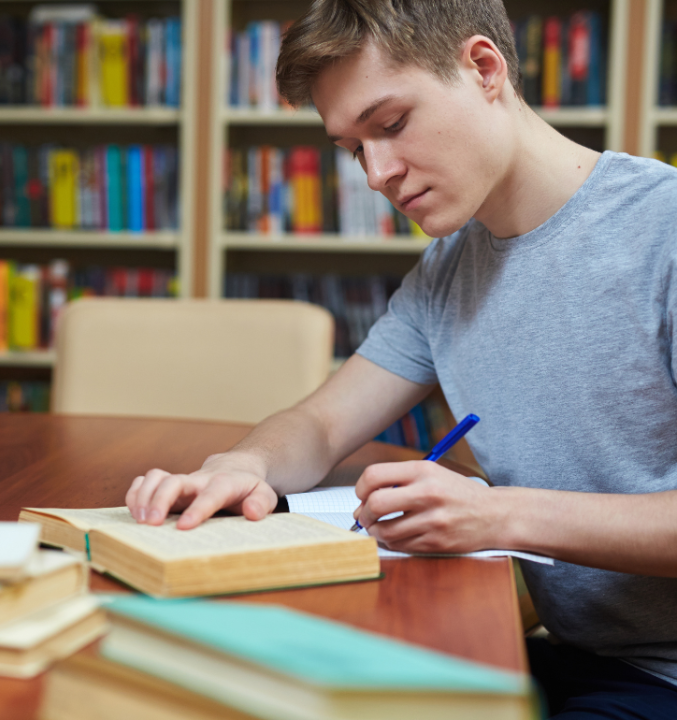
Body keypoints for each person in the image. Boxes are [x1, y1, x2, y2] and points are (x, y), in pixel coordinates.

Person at [124, 1, 677, 717]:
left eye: (391, 125)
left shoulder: (661, 233)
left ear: (483, 69)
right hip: (579, 657)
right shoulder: (450, 267)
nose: (377, 174)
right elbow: (321, 425)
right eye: (354, 148)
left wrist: (496, 515)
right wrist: (243, 467)